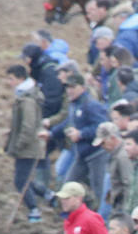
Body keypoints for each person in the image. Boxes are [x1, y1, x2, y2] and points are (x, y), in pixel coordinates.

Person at [47, 73, 110, 206]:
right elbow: (68, 123)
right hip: (81, 154)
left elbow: (102, 127)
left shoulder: (91, 105)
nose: (69, 90)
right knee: (69, 184)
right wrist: (51, 134)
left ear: (82, 87)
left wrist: (81, 134)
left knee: (99, 189)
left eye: (73, 87)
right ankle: (71, 213)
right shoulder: (73, 105)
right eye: (67, 87)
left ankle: (100, 218)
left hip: (96, 154)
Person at [4, 63, 47, 224]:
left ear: (21, 79)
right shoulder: (24, 96)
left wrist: (18, 146)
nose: (9, 82)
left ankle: (34, 210)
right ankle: (49, 196)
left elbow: (28, 127)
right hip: (27, 146)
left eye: (11, 79)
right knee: (26, 179)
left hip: (27, 148)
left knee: (21, 181)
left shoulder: (27, 100)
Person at [95, 123, 131, 217]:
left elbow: (128, 184)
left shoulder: (122, 156)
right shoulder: (115, 154)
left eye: (103, 142)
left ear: (113, 138)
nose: (102, 146)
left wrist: (126, 210)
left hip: (122, 206)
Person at [21, 43, 64, 121]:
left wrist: (40, 118)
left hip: (50, 118)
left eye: (25, 59)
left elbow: (52, 99)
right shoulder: (40, 69)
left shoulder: (49, 72)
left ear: (30, 59)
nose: (25, 62)